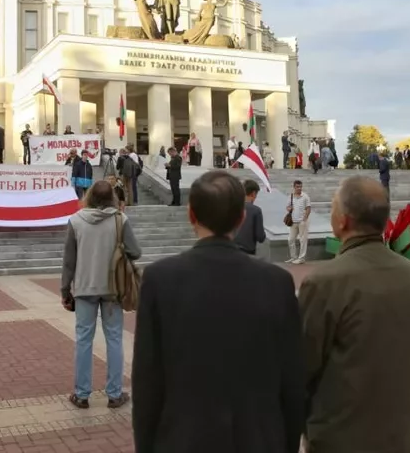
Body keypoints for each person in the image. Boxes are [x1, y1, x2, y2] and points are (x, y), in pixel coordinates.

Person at [133, 171, 303, 453]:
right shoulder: (277, 282)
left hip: (183, 440)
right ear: (241, 217)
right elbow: (293, 382)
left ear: (191, 215)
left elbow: (147, 383)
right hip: (260, 440)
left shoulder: (159, 279)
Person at [299, 176, 410, 453]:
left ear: (343, 220)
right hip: (401, 433)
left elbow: (303, 364)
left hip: (341, 436)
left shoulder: (325, 282)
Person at [61, 180, 141, 410]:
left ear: (89, 196)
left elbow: (69, 261)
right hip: (113, 289)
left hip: (84, 289)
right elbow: (135, 252)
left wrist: (65, 290)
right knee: (114, 338)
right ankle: (115, 394)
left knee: (84, 340)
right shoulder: (120, 220)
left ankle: (81, 394)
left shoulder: (75, 221)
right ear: (112, 198)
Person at [233, 179, 265, 256]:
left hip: (231, 250)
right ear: (253, 193)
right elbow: (260, 236)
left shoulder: (232, 207)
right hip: (247, 251)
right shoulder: (256, 210)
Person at [286, 180, 311, 264]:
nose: (299, 188)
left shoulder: (305, 196)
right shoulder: (291, 196)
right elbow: (288, 207)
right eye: (297, 187)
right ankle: (293, 257)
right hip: (293, 221)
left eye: (300, 186)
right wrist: (289, 209)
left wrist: (305, 219)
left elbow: (308, 208)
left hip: (302, 221)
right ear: (294, 187)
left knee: (303, 240)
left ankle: (301, 258)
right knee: (290, 239)